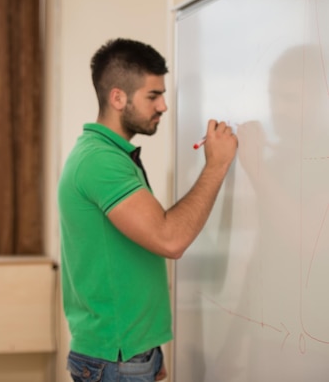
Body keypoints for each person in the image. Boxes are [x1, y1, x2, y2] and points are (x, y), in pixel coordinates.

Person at [58, 38, 238, 382]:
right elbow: (170, 239)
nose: (164, 106)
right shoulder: (100, 161)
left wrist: (148, 350)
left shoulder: (109, 155)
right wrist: (216, 166)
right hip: (116, 359)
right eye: (153, 96)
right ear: (118, 98)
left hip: (127, 354)